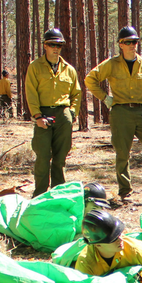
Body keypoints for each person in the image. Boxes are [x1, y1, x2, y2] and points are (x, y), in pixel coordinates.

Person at [85, 26, 142, 200]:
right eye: (128, 42)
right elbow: (90, 79)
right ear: (120, 44)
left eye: (134, 41)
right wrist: (104, 98)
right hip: (121, 113)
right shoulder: (111, 64)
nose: (132, 45)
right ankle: (125, 191)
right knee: (122, 153)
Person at [25, 28, 82, 198]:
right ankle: (40, 196)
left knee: (60, 157)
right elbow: (31, 92)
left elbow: (76, 92)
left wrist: (72, 113)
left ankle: (58, 195)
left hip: (63, 114)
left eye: (59, 45)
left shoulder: (69, 69)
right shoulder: (35, 67)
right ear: (45, 45)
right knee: (43, 156)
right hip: (43, 114)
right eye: (51, 44)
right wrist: (37, 116)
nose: (55, 48)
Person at [75, 209, 142, 283]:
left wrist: (140, 278)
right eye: (114, 239)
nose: (120, 239)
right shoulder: (85, 262)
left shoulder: (135, 249)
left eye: (119, 234)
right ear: (97, 245)